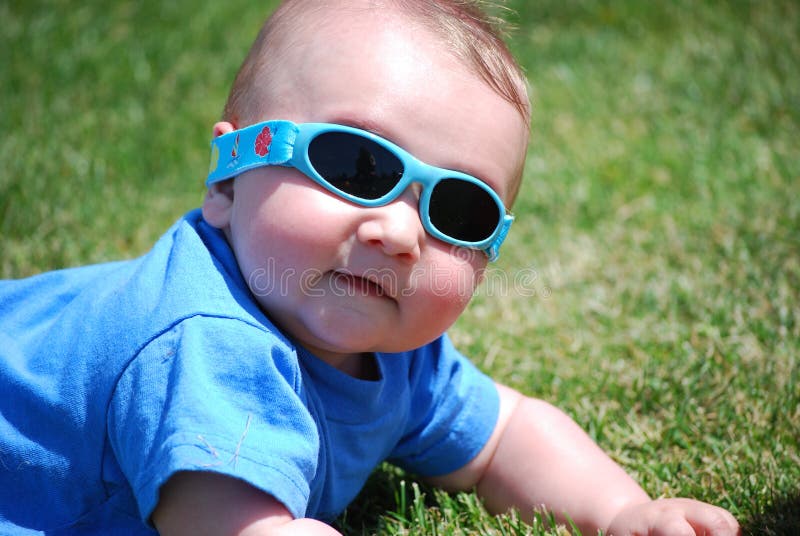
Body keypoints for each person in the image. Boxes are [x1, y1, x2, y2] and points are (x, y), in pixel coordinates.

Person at [0, 1, 740, 535]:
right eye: (356, 164)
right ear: (228, 180)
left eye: (460, 211)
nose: (399, 233)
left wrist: (623, 511)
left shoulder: (399, 353)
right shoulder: (202, 342)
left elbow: (507, 434)